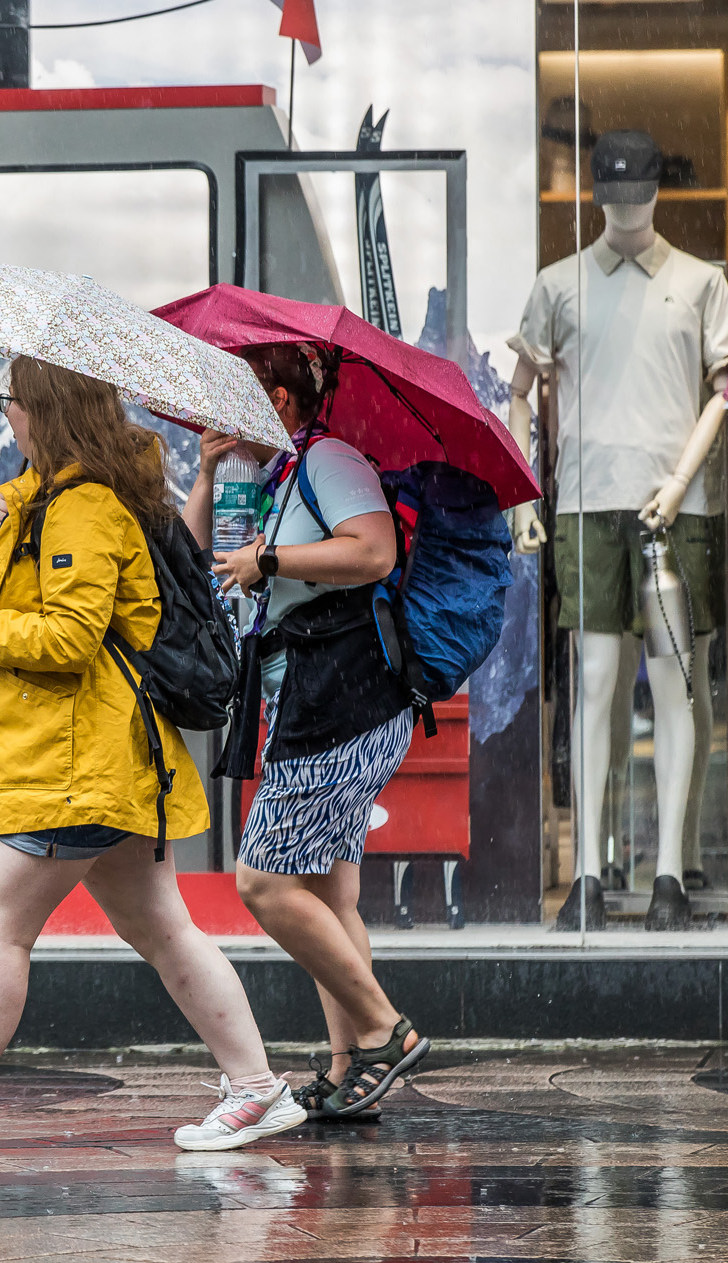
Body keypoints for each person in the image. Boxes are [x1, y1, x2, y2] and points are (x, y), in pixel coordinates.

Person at [0, 355, 304, 1156]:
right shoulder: (56, 502)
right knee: (162, 928)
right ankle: (256, 1088)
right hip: (100, 758)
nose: (4, 415)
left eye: (11, 401)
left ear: (45, 412)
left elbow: (70, 637)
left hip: (76, 761)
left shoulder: (82, 510)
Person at [185, 341, 429, 1120]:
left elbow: (374, 549)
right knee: (329, 890)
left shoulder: (329, 461)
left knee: (262, 880)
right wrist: (206, 477)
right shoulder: (271, 479)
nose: (220, 420)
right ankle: (347, 1067)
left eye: (233, 402)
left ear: (279, 404)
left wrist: (273, 558)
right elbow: (198, 569)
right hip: (315, 701)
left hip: (343, 702)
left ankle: (387, 1030)